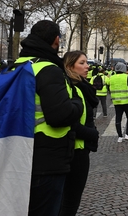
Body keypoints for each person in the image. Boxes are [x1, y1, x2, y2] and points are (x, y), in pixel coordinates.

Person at [16, 20, 85, 216]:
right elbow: (60, 115)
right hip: (48, 157)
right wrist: (76, 104)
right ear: (56, 40)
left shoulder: (17, 65)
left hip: (20, 152)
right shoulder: (49, 69)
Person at [59, 51, 100, 216]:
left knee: (69, 201)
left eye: (86, 62)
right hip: (74, 149)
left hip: (79, 147)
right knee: (69, 202)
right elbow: (69, 121)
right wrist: (92, 134)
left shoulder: (82, 86)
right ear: (69, 67)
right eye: (82, 63)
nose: (87, 66)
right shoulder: (72, 88)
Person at [110, 62, 128, 143]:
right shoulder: (126, 77)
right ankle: (127, 134)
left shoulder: (112, 77)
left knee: (118, 118)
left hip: (116, 101)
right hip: (127, 101)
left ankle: (120, 136)